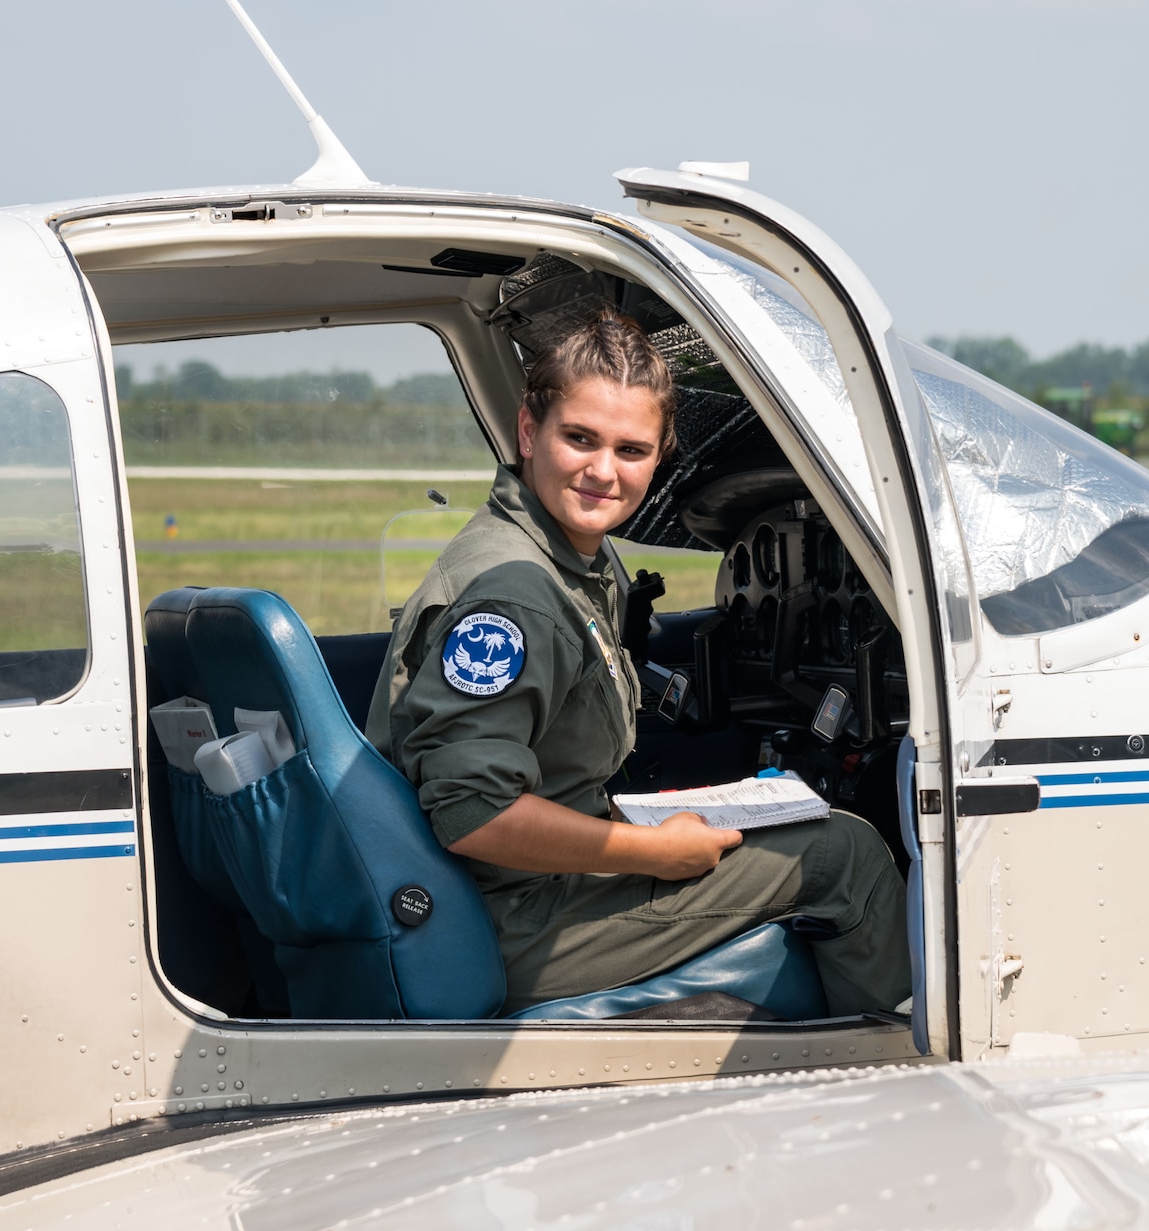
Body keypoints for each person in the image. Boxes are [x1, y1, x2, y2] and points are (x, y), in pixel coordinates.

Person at [366, 311, 909, 1016]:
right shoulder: (518, 595)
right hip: (504, 919)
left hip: (501, 892)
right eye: (579, 438)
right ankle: (891, 1084)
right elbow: (475, 816)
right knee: (844, 855)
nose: (602, 471)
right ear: (530, 432)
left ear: (660, 457)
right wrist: (654, 853)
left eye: (631, 449)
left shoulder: (561, 562)